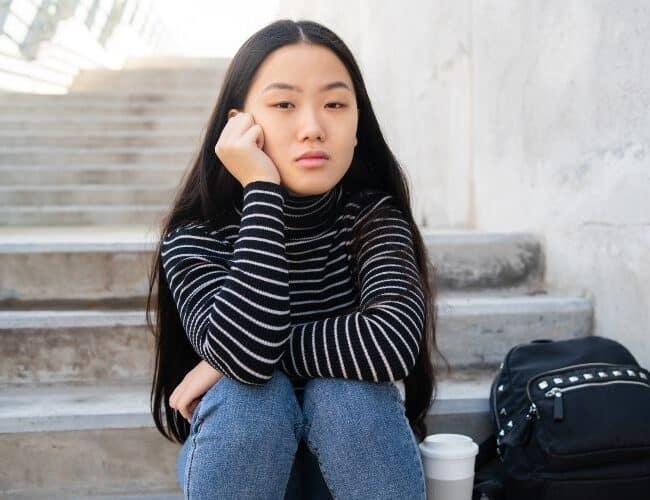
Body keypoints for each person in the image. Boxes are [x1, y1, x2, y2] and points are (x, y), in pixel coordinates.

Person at [147, 18, 448, 499]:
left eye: (335, 104)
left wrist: (230, 357)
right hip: (246, 464)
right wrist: (261, 190)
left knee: (344, 396)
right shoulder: (195, 238)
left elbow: (393, 340)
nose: (312, 128)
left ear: (357, 125)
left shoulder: (371, 217)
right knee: (251, 398)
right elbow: (246, 366)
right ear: (237, 127)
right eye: (284, 104)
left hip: (361, 464)